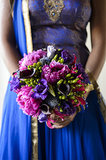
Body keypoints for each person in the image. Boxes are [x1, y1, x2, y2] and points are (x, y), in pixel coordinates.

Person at [0, 0, 105, 160]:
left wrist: (79, 96)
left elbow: (101, 41)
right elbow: (4, 40)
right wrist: (29, 91)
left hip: (80, 92)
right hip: (28, 96)